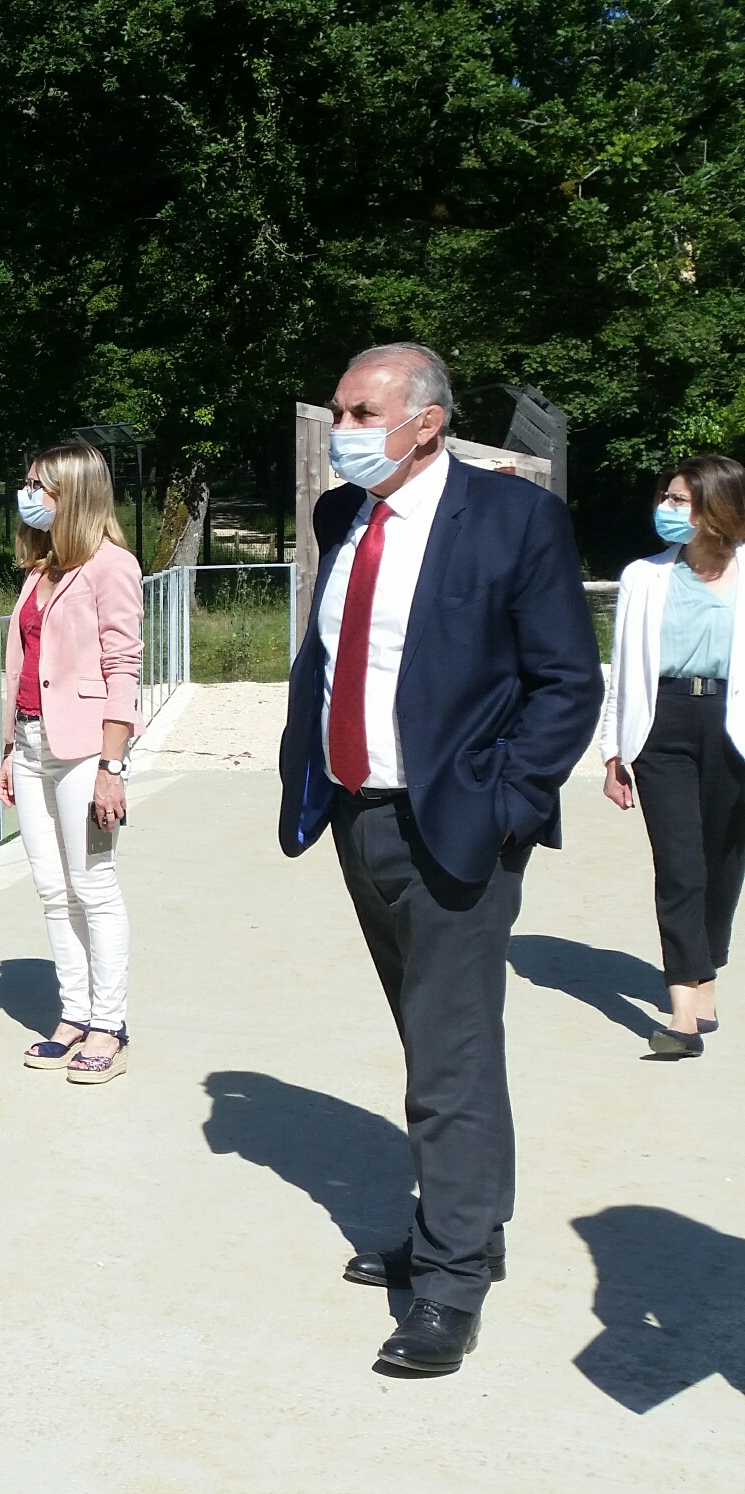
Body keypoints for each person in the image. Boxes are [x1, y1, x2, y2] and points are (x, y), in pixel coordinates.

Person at [277, 342, 601, 1376]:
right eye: (338, 411)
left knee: (448, 1056)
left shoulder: (513, 520)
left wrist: (508, 803)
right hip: (356, 816)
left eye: (360, 409)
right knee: (436, 1040)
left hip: (456, 826)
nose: (344, 430)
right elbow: (334, 659)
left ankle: (451, 1279)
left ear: (426, 418)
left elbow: (564, 684)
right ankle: (467, 1221)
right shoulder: (345, 516)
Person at [0, 443, 143, 1083]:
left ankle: (109, 1024)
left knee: (93, 887)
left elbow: (123, 666)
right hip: (29, 747)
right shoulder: (42, 566)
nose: (28, 495)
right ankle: (74, 1013)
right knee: (54, 892)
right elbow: (23, 668)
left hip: (84, 751)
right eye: (26, 483)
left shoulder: (112, 566)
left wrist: (114, 765)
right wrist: (7, 749)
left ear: (74, 493)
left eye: (40, 486)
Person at [598, 454, 745, 1057]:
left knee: (723, 859)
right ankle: (685, 1011)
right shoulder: (643, 576)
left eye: (681, 501)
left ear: (718, 508)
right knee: (680, 863)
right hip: (663, 725)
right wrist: (612, 750)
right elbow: (623, 669)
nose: (668, 508)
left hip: (733, 725)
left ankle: (705, 966)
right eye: (667, 497)